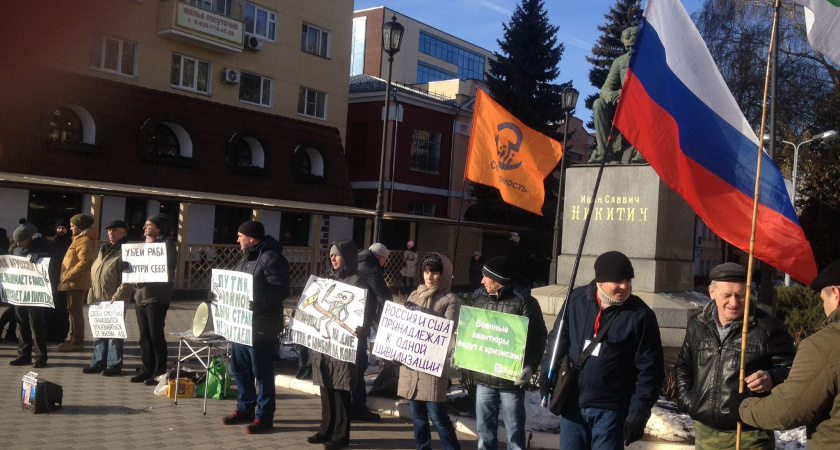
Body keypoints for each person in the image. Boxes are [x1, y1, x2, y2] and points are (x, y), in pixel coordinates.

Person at [540, 251, 664, 449]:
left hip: (611, 411)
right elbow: (557, 341)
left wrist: (638, 413)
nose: (624, 286)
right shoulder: (575, 300)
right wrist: (547, 373)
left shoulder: (641, 315)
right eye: (617, 280)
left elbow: (650, 370)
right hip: (572, 405)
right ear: (600, 281)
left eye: (627, 280)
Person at [674, 262, 796, 449]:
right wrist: (689, 402)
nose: (734, 302)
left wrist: (772, 377)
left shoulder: (768, 328)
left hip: (749, 435)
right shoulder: (697, 325)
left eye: (740, 295)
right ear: (711, 292)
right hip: (705, 434)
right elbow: (684, 365)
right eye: (727, 295)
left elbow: (793, 370)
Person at [733, 259, 840, 448]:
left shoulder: (825, 344)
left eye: (824, 301)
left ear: (836, 294)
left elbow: (787, 411)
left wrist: (744, 406)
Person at [471, 256, 548, 450]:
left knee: (514, 433)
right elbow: (471, 330)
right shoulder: (478, 298)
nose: (482, 281)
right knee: (484, 432)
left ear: (498, 280)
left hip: (510, 380)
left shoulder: (525, 302)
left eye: (485, 277)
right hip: (484, 376)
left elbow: (538, 337)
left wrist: (530, 366)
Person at [220, 220, 290, 434]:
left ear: (251, 238)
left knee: (262, 372)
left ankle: (265, 416)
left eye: (240, 236)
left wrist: (258, 302)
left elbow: (281, 290)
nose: (237, 239)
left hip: (262, 325)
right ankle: (245, 409)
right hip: (241, 324)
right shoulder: (246, 258)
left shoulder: (272, 258)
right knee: (240, 369)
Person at [308, 240, 373, 450]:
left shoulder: (358, 281)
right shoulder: (327, 278)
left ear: (347, 257)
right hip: (324, 342)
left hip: (344, 343)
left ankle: (341, 435)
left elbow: (365, 311)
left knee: (340, 388)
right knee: (326, 386)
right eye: (331, 255)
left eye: (337, 255)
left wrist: (361, 327)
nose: (332, 259)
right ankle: (325, 429)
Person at [398, 252, 461, 450]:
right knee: (417, 416)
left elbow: (447, 326)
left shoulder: (450, 298)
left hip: (431, 366)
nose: (429, 276)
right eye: (426, 272)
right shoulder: (414, 294)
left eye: (434, 273)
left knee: (438, 416)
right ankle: (422, 447)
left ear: (444, 275)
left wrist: (421, 313)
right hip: (410, 366)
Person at [130, 214, 177, 385]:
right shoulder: (145, 244)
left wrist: (151, 246)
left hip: (157, 296)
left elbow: (168, 264)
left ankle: (159, 371)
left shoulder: (167, 244)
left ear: (159, 228)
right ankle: (147, 368)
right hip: (141, 294)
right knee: (144, 335)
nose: (144, 228)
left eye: (148, 225)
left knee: (155, 334)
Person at [83, 220, 133, 376]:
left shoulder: (126, 251)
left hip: (113, 298)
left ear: (124, 232)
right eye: (109, 230)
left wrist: (118, 296)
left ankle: (113, 365)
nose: (111, 232)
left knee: (113, 334)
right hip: (98, 297)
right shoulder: (103, 249)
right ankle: (97, 362)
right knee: (98, 332)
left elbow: (129, 278)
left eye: (115, 230)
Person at [352, 242, 393, 421]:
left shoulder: (356, 263)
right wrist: (386, 317)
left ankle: (351, 404)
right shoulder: (372, 269)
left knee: (352, 364)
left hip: (350, 320)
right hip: (361, 323)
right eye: (384, 259)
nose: (384, 262)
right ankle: (358, 407)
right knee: (360, 364)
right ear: (379, 257)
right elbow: (383, 295)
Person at [591, 26, 644, 164]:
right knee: (598, 104)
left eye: (633, 46)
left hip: (644, 104)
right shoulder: (620, 62)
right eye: (627, 47)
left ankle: (644, 151)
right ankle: (605, 153)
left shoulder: (651, 61)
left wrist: (624, 93)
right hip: (622, 106)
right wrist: (613, 96)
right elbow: (605, 88)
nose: (630, 51)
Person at [9, 224, 52, 367]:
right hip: (20, 294)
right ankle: (23, 355)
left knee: (37, 327)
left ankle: (41, 357)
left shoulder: (41, 248)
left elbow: (52, 258)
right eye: (16, 241)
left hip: (34, 296)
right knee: (22, 326)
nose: (17, 243)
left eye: (20, 241)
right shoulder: (16, 250)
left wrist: (41, 255)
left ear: (28, 239)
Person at [57, 214, 96, 352]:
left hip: (76, 282)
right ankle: (74, 339)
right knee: (72, 311)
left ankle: (78, 341)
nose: (70, 228)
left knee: (76, 312)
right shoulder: (78, 239)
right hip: (73, 282)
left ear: (80, 227)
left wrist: (68, 275)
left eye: (73, 226)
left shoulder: (84, 241)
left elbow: (84, 262)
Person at [47, 218, 72, 344]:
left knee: (62, 311)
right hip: (51, 281)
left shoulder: (71, 244)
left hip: (65, 282)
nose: (60, 230)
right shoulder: (52, 244)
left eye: (63, 228)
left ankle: (61, 335)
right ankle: (49, 334)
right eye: (59, 228)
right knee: (50, 310)